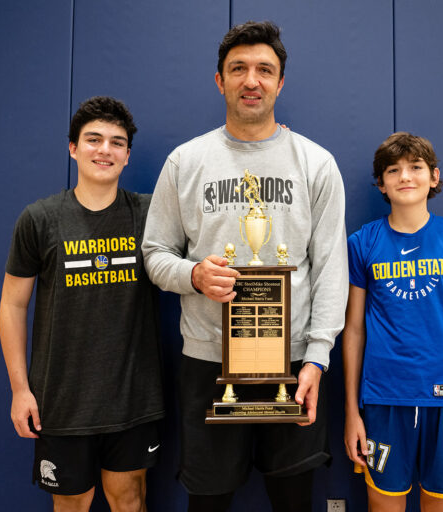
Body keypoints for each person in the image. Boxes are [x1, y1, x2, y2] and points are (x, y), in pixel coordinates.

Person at [142, 20, 348, 512]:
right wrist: (193, 275)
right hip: (208, 361)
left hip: (296, 364)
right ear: (220, 80)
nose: (251, 80)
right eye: (238, 69)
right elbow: (154, 254)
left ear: (280, 82)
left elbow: (331, 270)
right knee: (208, 500)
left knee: (294, 500)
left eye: (264, 69)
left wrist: (318, 356)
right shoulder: (185, 162)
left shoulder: (316, 164)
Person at [0, 96, 163, 512]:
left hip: (132, 399)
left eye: (116, 142)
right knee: (72, 504)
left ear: (127, 155)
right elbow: (13, 306)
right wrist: (20, 390)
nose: (104, 150)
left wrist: (264, 150)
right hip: (62, 402)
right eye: (93, 139)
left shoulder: (149, 214)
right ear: (73, 148)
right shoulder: (39, 219)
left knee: (129, 500)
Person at [343, 132, 443, 512]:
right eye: (393, 170)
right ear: (381, 184)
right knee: (383, 503)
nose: (405, 176)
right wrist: (351, 412)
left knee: (442, 503)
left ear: (434, 176)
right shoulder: (362, 243)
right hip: (382, 402)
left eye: (416, 167)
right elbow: (354, 330)